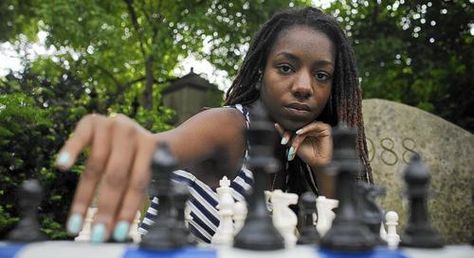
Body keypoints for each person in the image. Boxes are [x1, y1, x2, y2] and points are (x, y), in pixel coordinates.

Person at [55, 7, 372, 244]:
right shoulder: (228, 126)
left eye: (321, 75)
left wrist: (326, 169)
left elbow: (338, 241)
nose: (304, 86)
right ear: (261, 72)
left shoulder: (296, 156)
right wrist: (131, 141)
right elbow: (154, 149)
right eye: (286, 67)